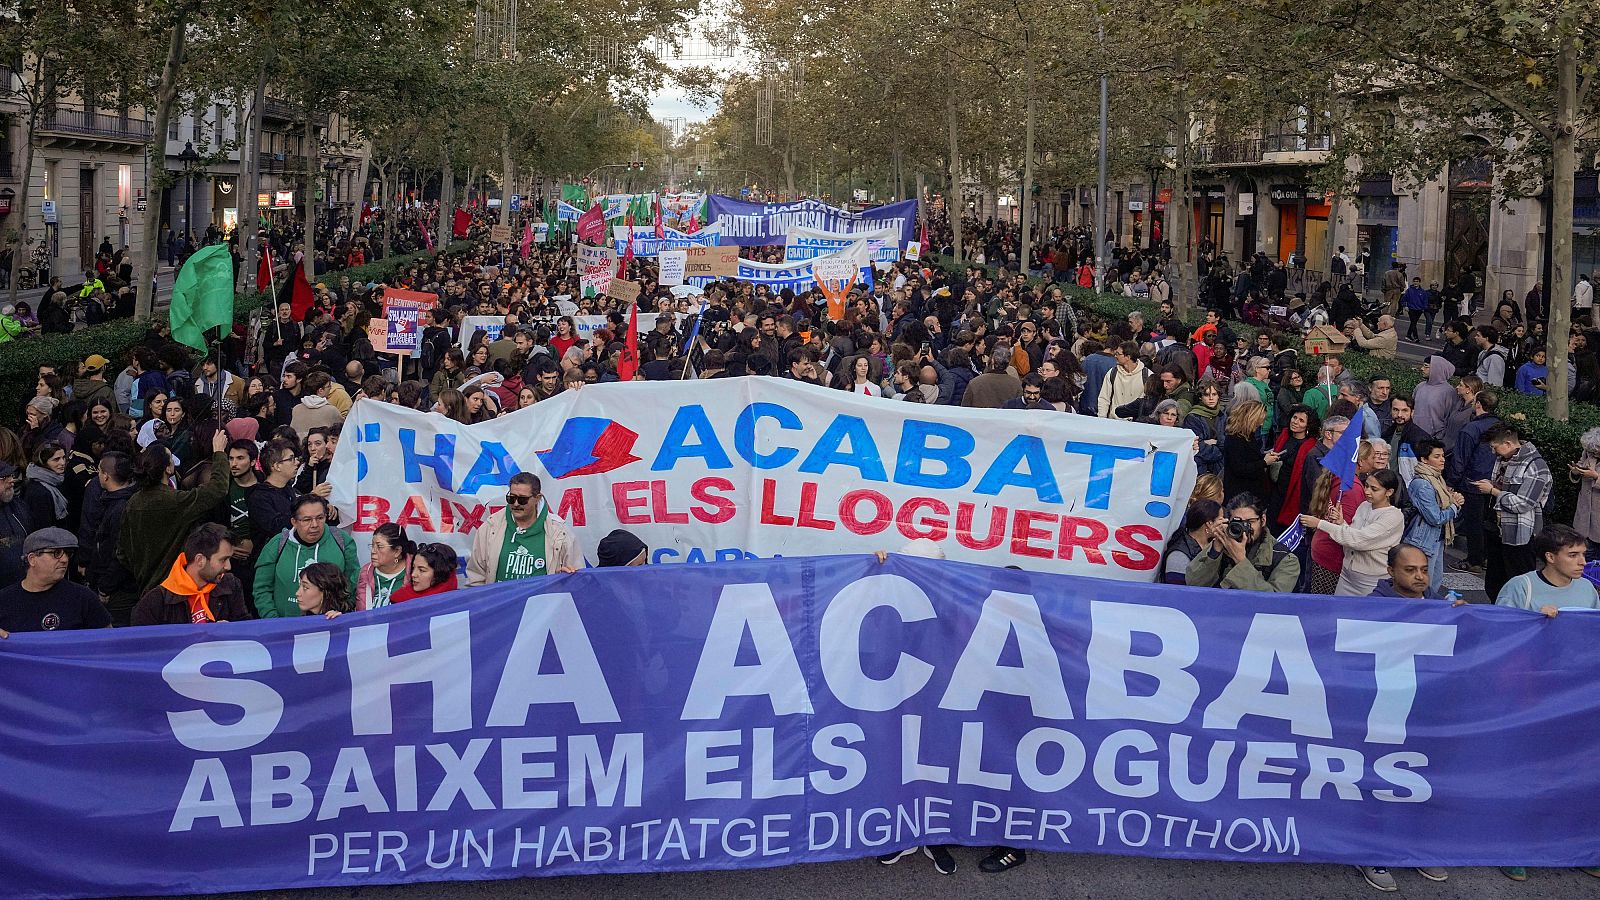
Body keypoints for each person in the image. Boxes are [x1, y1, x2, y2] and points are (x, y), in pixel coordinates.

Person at [116, 431, 231, 593]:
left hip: (146, 587)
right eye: (171, 459)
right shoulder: (176, 501)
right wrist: (219, 453)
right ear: (167, 468)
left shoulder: (133, 502)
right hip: (175, 587)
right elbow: (217, 489)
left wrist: (141, 569)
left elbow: (122, 552)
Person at [1472, 424, 1551, 601]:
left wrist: (1493, 491)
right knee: (1494, 583)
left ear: (1507, 444)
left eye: (1495, 447)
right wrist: (1493, 486)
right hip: (1497, 530)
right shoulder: (1505, 460)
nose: (1493, 452)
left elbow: (1523, 504)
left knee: (1519, 583)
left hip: (1519, 535)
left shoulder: (1535, 466)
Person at [1300, 469, 1405, 596]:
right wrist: (1341, 523)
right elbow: (1352, 534)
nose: (1367, 492)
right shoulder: (1364, 506)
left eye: (1374, 489)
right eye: (1366, 486)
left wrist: (1320, 524)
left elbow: (1359, 540)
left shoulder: (1393, 517)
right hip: (1347, 575)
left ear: (1389, 492)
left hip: (1370, 581)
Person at [252, 495, 358, 618]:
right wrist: (273, 621)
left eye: (320, 518)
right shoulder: (277, 545)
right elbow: (262, 588)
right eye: (307, 520)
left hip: (330, 625)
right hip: (285, 628)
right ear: (294, 522)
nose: (314, 524)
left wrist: (344, 612)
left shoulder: (342, 540)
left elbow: (354, 582)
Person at [465, 472, 579, 585]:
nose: (515, 504)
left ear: (537, 499)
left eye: (522, 499)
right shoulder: (490, 527)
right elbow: (475, 578)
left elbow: (577, 579)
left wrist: (563, 579)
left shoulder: (559, 532)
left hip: (540, 602)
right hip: (501, 602)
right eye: (511, 498)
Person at [130, 522, 250, 626]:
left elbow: (247, 628)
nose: (228, 566)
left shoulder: (231, 585)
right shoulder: (155, 601)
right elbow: (142, 646)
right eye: (222, 560)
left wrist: (233, 632)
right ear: (200, 560)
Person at [0, 528, 109, 635]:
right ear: (32, 559)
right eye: (56, 553)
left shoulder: (83, 598)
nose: (65, 559)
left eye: (68, 553)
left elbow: (109, 640)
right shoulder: (4, 600)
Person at [1184, 493, 1301, 592]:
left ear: (1263, 520)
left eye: (1250, 521)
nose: (1245, 528)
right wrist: (1215, 550)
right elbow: (1193, 585)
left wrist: (1240, 561)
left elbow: (1273, 602)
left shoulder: (1285, 559)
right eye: (1238, 522)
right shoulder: (1223, 545)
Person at [1495, 525, 1599, 619]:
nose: (1583, 562)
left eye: (1583, 554)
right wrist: (1535, 619)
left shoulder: (1587, 587)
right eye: (1573, 555)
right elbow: (1501, 630)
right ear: (1550, 557)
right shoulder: (1520, 587)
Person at [1404, 439, 1463, 592]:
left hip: (1437, 538)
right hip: (1423, 540)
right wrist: (1454, 506)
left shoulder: (1437, 478)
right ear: (1424, 459)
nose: (1442, 460)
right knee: (1423, 586)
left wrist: (1454, 502)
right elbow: (1435, 518)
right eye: (1437, 456)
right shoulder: (1423, 483)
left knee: (1434, 584)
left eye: (1443, 456)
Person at [1158, 499, 1222, 585]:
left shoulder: (1215, 545)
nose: (1225, 523)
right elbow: (1176, 592)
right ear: (1209, 523)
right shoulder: (1178, 554)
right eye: (1221, 519)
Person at [356, 523, 415, 610]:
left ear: (397, 551)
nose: (373, 551)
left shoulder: (415, 572)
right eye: (372, 545)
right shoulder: (366, 572)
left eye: (379, 547)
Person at [1368, 543, 1447, 601]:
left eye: (1424, 570)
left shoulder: (1441, 604)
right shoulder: (1372, 605)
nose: (1420, 577)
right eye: (1410, 570)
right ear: (1391, 571)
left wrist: (1458, 610)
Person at [390, 542, 459, 603]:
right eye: (413, 568)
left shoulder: (460, 602)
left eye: (422, 570)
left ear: (440, 573)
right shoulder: (400, 599)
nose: (413, 574)